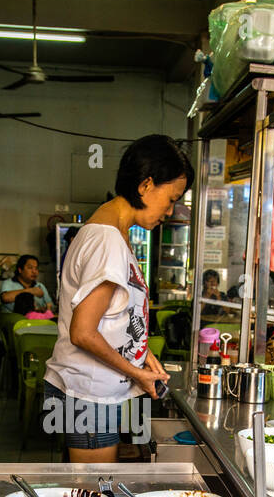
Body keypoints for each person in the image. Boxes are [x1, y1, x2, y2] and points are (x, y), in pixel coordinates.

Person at [43, 135, 189, 463]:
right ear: (146, 185)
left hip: (87, 391)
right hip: (87, 395)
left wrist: (141, 353)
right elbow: (83, 332)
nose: (169, 211)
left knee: (85, 491)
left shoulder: (108, 232)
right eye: (170, 199)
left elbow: (110, 317)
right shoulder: (107, 240)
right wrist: (137, 373)